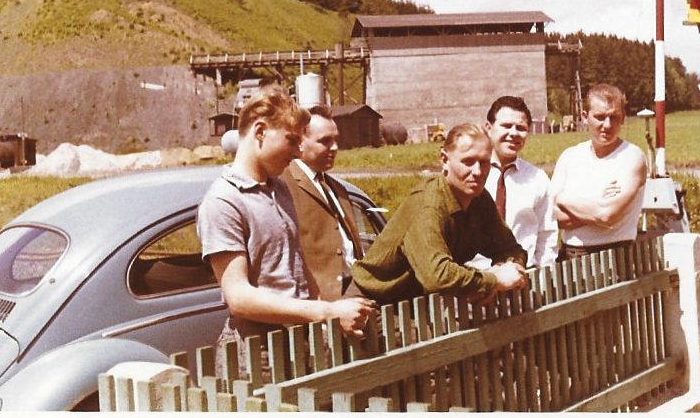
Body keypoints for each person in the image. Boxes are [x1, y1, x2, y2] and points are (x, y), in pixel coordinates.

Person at [196, 85, 375, 377]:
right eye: (291, 141)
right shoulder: (223, 201)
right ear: (260, 131)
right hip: (257, 351)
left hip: (298, 341)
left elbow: (298, 266)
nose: (296, 153)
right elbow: (239, 297)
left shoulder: (279, 188)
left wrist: (326, 318)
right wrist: (327, 313)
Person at [350, 123, 529, 306]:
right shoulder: (429, 206)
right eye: (467, 162)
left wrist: (502, 268)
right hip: (371, 302)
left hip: (414, 302)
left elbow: (512, 249)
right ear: (444, 160)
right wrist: (493, 280)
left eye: (484, 163)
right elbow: (437, 275)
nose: (477, 172)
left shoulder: (480, 201)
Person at [550, 84, 647, 261]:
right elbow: (550, 217)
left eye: (614, 117)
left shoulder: (632, 157)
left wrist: (563, 199)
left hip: (615, 258)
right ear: (585, 117)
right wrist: (596, 205)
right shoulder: (569, 157)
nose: (607, 125)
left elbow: (606, 214)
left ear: (623, 118)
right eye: (600, 117)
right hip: (568, 257)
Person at [280, 104, 365, 301]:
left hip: (355, 295)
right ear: (300, 142)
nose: (334, 148)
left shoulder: (338, 189)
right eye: (325, 141)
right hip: (321, 304)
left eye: (336, 140)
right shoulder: (284, 185)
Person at [476, 95, 558, 269]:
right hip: (477, 275)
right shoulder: (471, 174)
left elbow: (547, 234)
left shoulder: (537, 179)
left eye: (520, 128)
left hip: (523, 274)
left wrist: (543, 277)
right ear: (488, 128)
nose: (513, 133)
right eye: (506, 126)